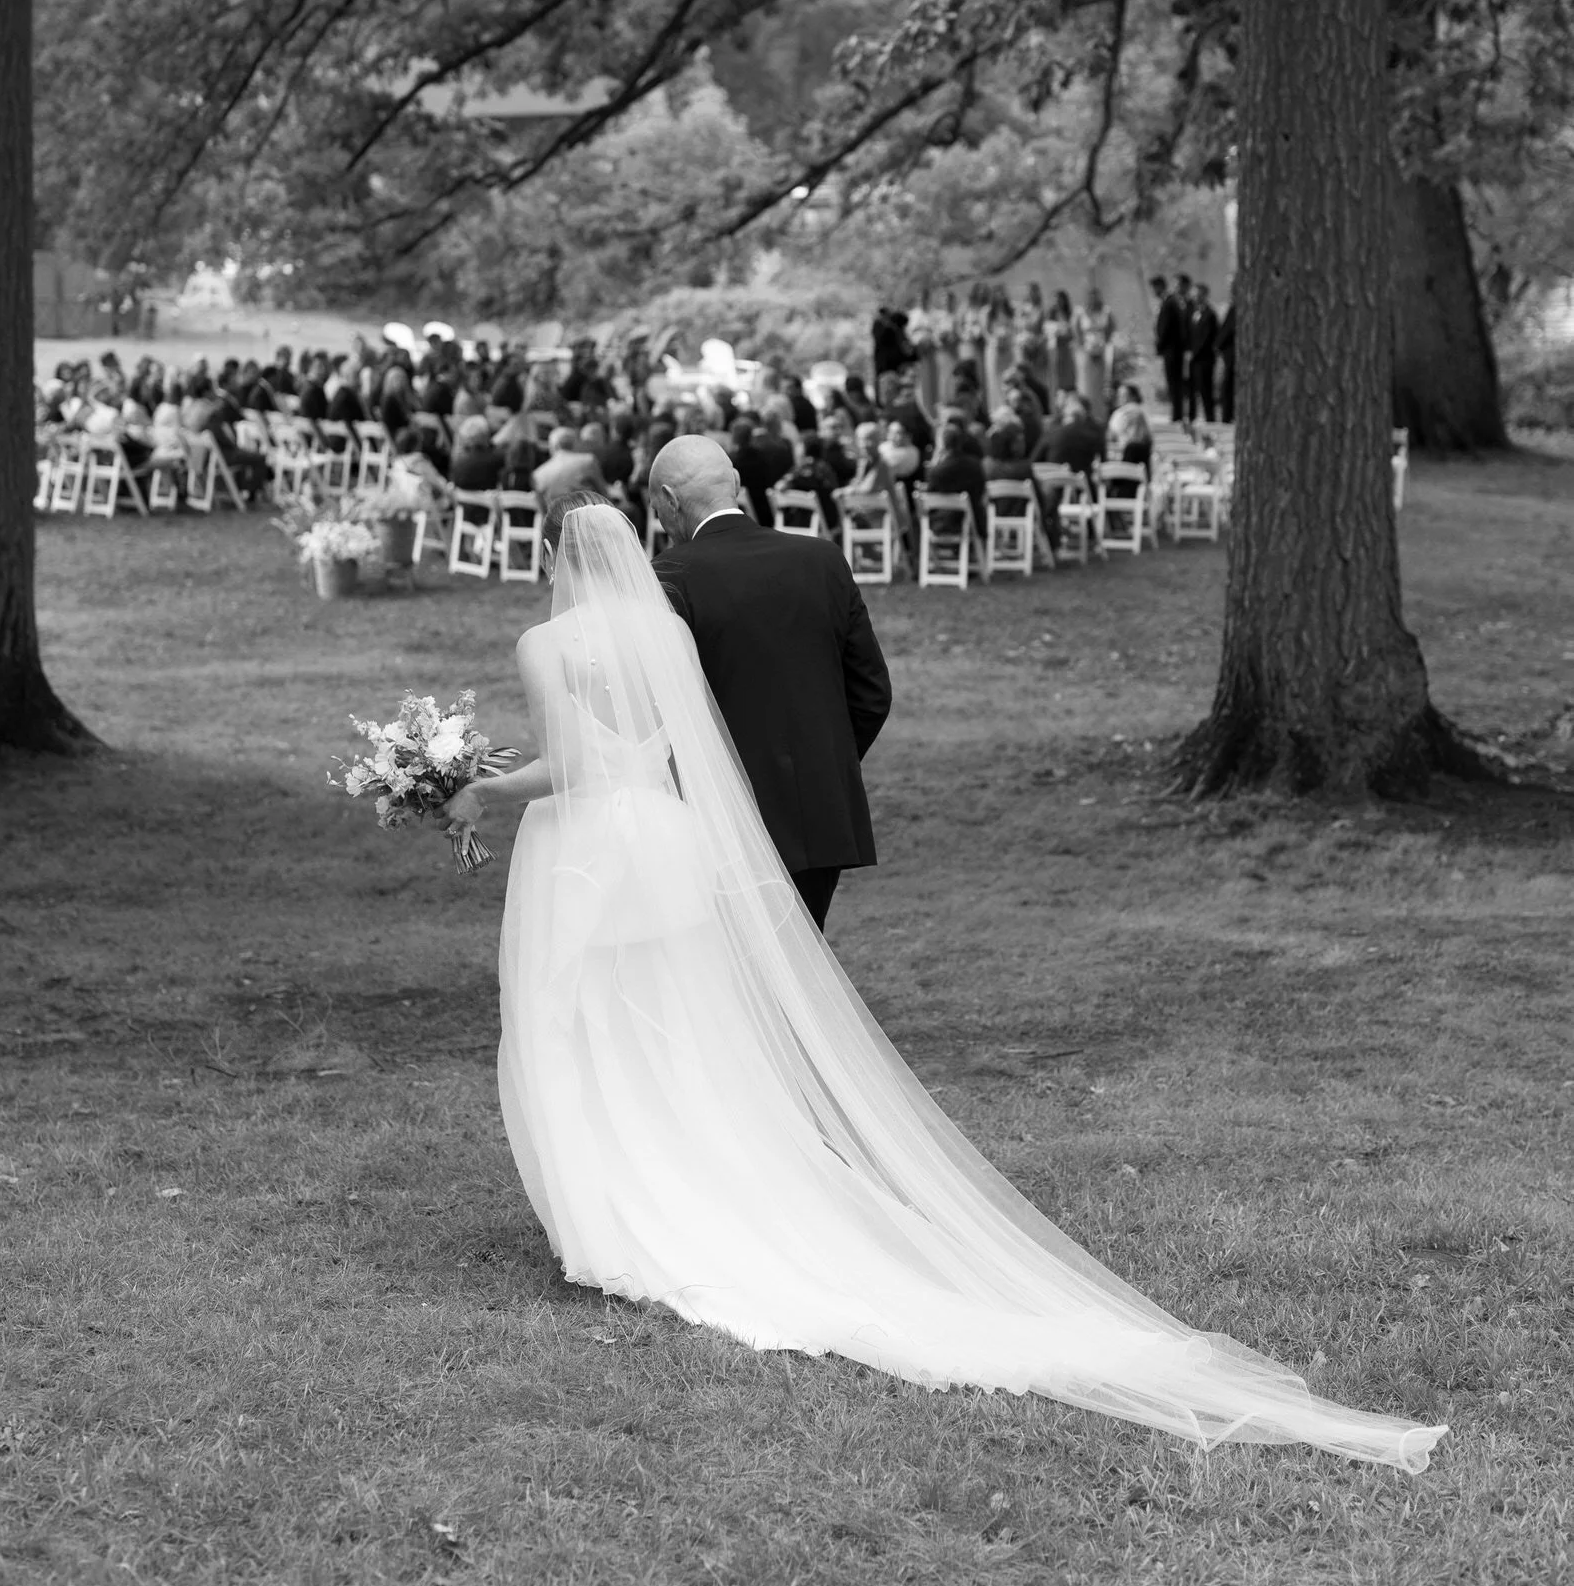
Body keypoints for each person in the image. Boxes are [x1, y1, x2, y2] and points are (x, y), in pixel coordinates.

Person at [447, 490, 1443, 1474]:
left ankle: (618, 1204)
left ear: (554, 552)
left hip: (591, 852)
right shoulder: (664, 632)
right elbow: (673, 746)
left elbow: (571, 766)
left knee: (581, 1018)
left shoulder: (547, 643)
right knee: (676, 1024)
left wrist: (475, 788)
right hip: (668, 844)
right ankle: (683, 1178)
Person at [645, 436, 890, 931]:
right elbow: (872, 695)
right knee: (801, 959)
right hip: (821, 812)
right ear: (735, 483)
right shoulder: (822, 559)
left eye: (657, 510)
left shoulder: (668, 574)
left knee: (739, 970)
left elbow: (659, 706)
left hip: (726, 820)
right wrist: (822, 764)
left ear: (669, 500)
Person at [1073, 287, 1116, 424]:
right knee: (1086, 385)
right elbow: (1077, 332)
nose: (1093, 299)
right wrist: (1086, 346)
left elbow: (1110, 329)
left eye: (1095, 296)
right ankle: (1086, 414)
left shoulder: (1106, 311)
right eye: (1091, 296)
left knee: (1100, 385)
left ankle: (1100, 415)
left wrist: (1101, 344)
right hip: (1086, 353)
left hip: (1101, 352)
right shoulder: (1081, 312)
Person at [1187, 281, 1220, 424]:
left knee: (1206, 390)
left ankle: (1210, 418)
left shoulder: (1210, 314)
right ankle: (1191, 417)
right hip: (1194, 359)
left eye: (1198, 295)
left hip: (1205, 358)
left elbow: (1207, 338)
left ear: (1205, 295)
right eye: (1194, 295)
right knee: (1192, 389)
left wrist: (1194, 352)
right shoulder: (1194, 313)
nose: (1196, 297)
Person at [1218, 296, 1237, 424]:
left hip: (1232, 353)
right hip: (1228, 353)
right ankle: (1227, 415)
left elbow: (1228, 329)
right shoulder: (1232, 307)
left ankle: (1227, 415)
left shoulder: (1235, 308)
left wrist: (1217, 345)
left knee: (1229, 386)